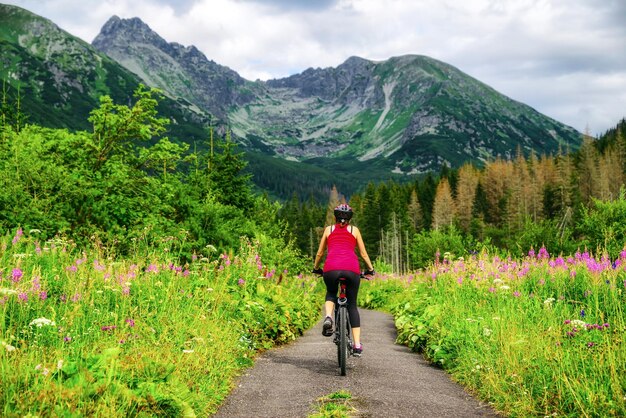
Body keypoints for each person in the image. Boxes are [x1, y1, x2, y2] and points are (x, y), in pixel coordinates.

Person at [312, 203, 374, 357]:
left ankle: (328, 317)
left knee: (331, 292)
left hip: (331, 268)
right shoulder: (355, 230)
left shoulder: (329, 230)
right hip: (352, 269)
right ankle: (357, 345)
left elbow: (320, 253)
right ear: (349, 218)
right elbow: (363, 253)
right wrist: (371, 269)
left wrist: (316, 267)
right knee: (352, 305)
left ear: (336, 216)